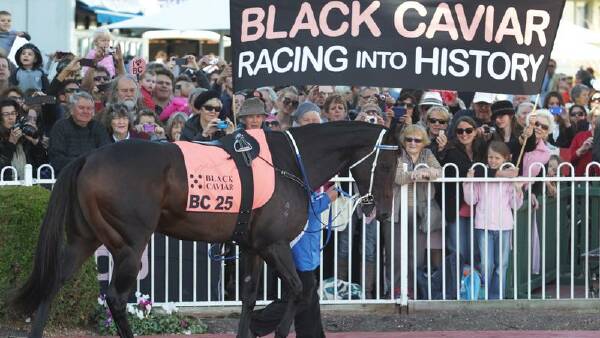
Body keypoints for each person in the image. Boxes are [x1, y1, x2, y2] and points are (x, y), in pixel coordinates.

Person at [250, 188, 338, 338]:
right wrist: (328, 198)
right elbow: (308, 207)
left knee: (308, 295)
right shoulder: (303, 179)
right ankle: (256, 324)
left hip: (305, 249)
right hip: (300, 249)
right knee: (302, 295)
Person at [464, 141, 524, 300]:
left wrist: (518, 190)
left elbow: (515, 205)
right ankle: (484, 296)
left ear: (505, 159)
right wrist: (468, 182)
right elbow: (471, 200)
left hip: (504, 226)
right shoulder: (481, 173)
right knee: (486, 264)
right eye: (490, 157)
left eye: (497, 158)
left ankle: (497, 297)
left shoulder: (510, 177)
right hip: (483, 225)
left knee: (502, 264)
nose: (493, 161)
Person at [393, 124, 442, 298]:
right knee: (397, 254)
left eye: (417, 140)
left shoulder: (427, 154)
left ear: (424, 142)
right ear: (403, 140)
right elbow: (398, 177)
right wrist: (413, 175)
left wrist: (427, 172)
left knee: (417, 255)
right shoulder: (397, 154)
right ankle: (396, 289)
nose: (413, 143)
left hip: (420, 211)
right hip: (397, 211)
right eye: (409, 139)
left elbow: (439, 171)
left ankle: (413, 289)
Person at [48, 91, 110, 174]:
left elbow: (105, 154)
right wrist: (83, 164)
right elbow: (57, 159)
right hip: (67, 175)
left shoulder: (98, 127)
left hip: (94, 174)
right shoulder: (60, 127)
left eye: (89, 108)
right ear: (71, 110)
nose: (85, 111)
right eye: (81, 108)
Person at [0, 98, 46, 180]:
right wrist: (11, 144)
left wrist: (36, 143)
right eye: (6, 114)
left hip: (28, 187)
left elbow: (42, 165)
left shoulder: (24, 137)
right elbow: (2, 168)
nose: (11, 117)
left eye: (13, 113)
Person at [569, 107, 600, 176]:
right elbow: (570, 159)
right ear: (590, 119)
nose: (598, 119)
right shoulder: (579, 136)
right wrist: (582, 149)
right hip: (582, 178)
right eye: (596, 116)